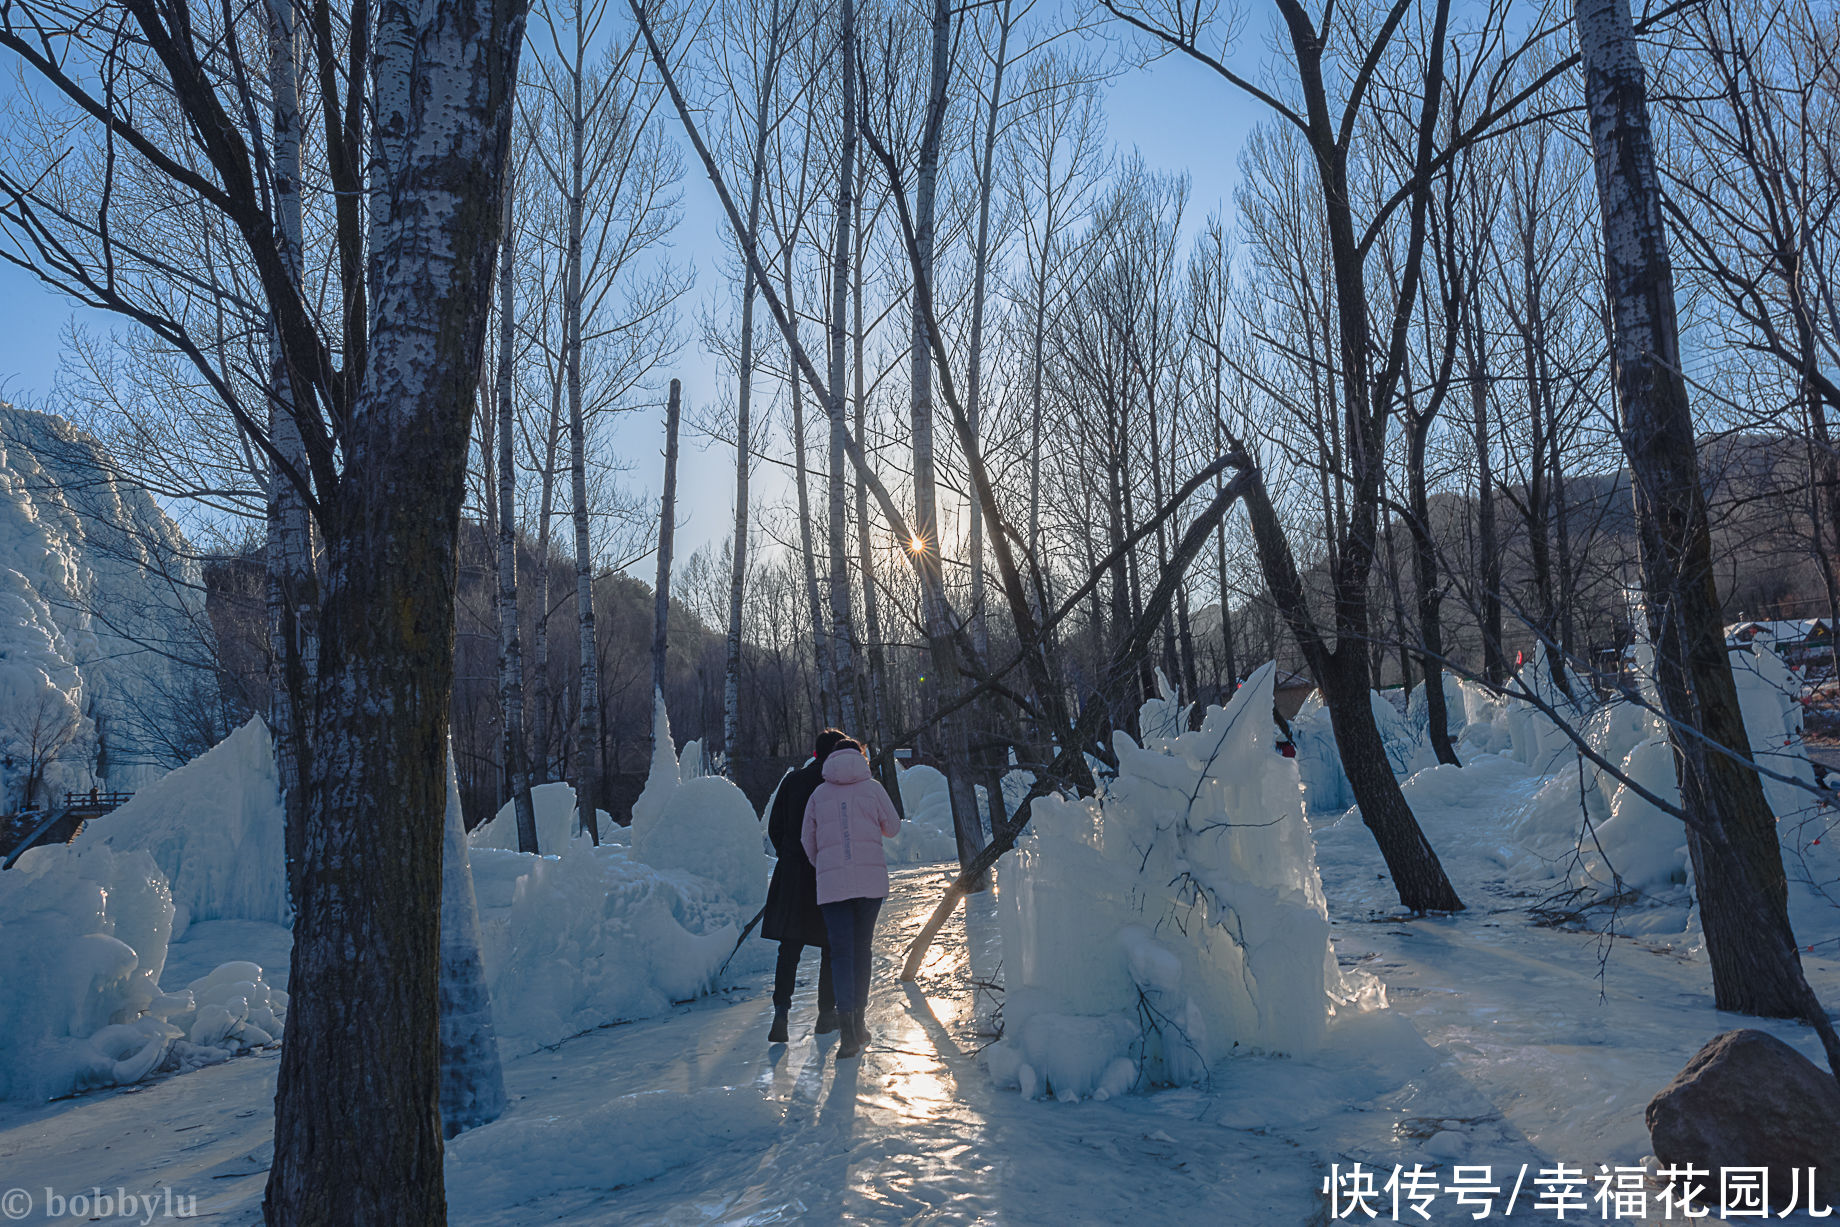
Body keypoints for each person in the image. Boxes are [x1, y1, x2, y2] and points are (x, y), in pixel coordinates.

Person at [800, 737, 902, 1060]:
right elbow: (894, 827)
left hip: (833, 889)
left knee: (841, 953)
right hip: (870, 886)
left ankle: (846, 1035)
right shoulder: (872, 788)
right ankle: (859, 1023)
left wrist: (827, 866)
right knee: (862, 950)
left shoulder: (818, 794)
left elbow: (807, 841)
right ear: (860, 756)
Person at [761, 728, 847, 1043]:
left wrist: (789, 855)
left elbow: (775, 827)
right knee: (830, 946)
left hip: (793, 874)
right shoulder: (836, 786)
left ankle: (781, 1012)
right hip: (827, 874)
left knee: (789, 948)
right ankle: (826, 1015)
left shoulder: (793, 781)